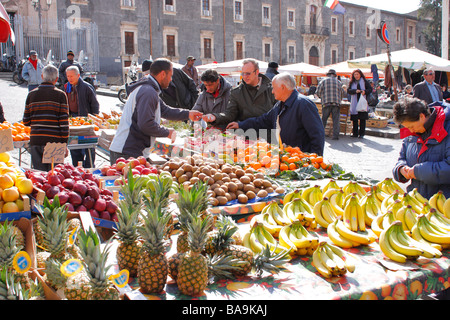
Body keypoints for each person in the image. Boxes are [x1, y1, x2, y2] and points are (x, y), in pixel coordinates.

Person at [109, 58, 203, 164]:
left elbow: (165, 110)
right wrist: (167, 132)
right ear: (163, 74)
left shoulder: (149, 89)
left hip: (129, 151)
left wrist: (188, 114)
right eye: (170, 75)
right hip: (128, 152)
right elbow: (145, 124)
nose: (171, 80)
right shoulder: (148, 92)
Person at [226, 72, 325, 156]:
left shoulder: (304, 104)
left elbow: (317, 134)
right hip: (287, 158)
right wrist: (240, 125)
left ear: (282, 87)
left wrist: (314, 160)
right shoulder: (280, 105)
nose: (272, 92)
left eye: (274, 88)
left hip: (301, 159)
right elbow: (263, 120)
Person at [392, 97, 450, 198]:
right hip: (417, 201)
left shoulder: (447, 129)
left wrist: (418, 172)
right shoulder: (412, 133)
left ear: (422, 116)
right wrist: (400, 169)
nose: (410, 131)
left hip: (443, 203)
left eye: (412, 126)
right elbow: (402, 158)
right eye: (407, 128)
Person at [203, 58, 276, 128]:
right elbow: (230, 114)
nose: (244, 76)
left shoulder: (271, 89)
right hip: (246, 136)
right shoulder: (236, 92)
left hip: (268, 135)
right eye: (243, 74)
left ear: (257, 72)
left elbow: (276, 114)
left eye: (248, 74)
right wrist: (215, 117)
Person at [22, 64, 69, 171]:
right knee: (55, 177)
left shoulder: (31, 94)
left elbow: (26, 121)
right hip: (55, 142)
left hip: (36, 140)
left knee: (40, 176)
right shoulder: (60, 95)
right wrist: (64, 144)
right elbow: (64, 124)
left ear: (42, 76)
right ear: (56, 79)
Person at [64, 66, 100, 168]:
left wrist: (93, 119)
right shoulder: (67, 87)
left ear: (78, 75)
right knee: (74, 146)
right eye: (68, 76)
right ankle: (77, 167)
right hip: (73, 121)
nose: (69, 78)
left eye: (71, 76)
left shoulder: (86, 87)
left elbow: (95, 105)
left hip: (86, 121)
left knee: (88, 146)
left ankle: (89, 167)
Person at [316, 69, 344, 140]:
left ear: (327, 74)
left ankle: (320, 134)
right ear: (335, 75)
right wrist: (339, 99)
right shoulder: (339, 82)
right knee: (336, 120)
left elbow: (318, 92)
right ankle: (335, 136)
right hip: (336, 103)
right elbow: (342, 93)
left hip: (326, 102)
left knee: (324, 119)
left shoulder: (323, 81)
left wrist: (321, 97)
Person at [347, 69, 371, 138]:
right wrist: (355, 91)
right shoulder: (352, 82)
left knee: (362, 119)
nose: (356, 76)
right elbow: (348, 90)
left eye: (357, 74)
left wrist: (364, 92)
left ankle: (362, 133)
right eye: (355, 74)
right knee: (355, 119)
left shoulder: (365, 81)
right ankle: (355, 133)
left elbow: (370, 89)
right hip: (354, 102)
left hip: (362, 101)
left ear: (360, 74)